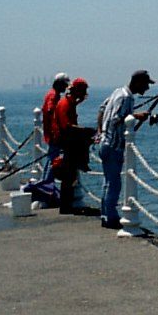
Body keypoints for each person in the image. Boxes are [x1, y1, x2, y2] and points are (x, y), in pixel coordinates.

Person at [95, 70, 158, 229]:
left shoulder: (118, 92)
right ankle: (111, 218)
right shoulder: (126, 97)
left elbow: (102, 109)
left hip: (104, 143)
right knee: (114, 184)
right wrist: (137, 117)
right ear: (137, 82)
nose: (147, 88)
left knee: (108, 182)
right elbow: (117, 119)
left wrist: (100, 131)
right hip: (113, 146)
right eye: (146, 84)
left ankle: (106, 215)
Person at [55, 78, 97, 215]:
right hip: (68, 143)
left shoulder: (68, 102)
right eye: (83, 90)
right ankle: (66, 207)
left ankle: (67, 205)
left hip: (68, 141)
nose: (85, 93)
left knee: (70, 175)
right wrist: (86, 131)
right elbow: (67, 126)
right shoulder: (65, 104)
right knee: (69, 175)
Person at [40, 73, 69, 184]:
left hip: (50, 131)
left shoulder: (50, 94)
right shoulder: (54, 95)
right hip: (53, 133)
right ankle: (47, 183)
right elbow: (50, 109)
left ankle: (45, 182)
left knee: (51, 158)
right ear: (58, 84)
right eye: (64, 85)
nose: (65, 87)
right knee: (54, 159)